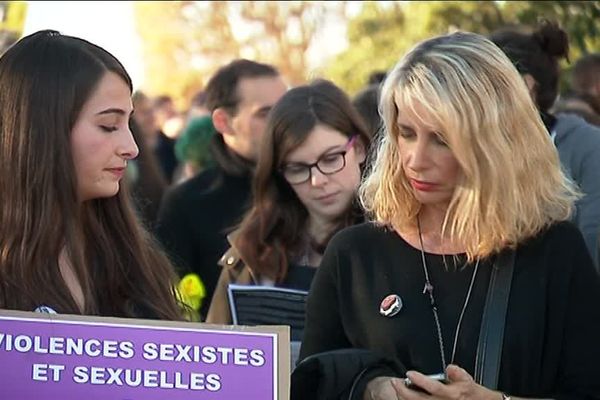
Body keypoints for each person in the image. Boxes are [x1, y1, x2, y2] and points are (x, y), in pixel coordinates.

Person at [295, 32, 600, 400]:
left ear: (496, 143)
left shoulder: (555, 251)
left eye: (441, 139)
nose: (415, 159)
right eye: (406, 133)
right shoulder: (354, 255)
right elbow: (310, 382)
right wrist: (371, 389)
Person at [0, 30, 182, 320]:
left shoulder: (130, 256)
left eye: (128, 124)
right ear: (39, 133)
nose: (131, 148)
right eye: (109, 125)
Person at [206, 79, 370, 325]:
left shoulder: (399, 240)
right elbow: (219, 354)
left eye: (331, 159)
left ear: (358, 148)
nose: (317, 180)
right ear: (279, 173)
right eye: (297, 168)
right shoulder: (252, 252)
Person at [156, 59, 287, 319]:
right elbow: (169, 305)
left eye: (286, 110)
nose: (281, 124)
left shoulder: (311, 184)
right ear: (223, 122)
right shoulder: (186, 202)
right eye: (265, 113)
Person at [491, 21, 600, 268]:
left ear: (525, 86)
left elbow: (592, 250)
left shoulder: (588, 147)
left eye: (482, 81)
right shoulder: (477, 150)